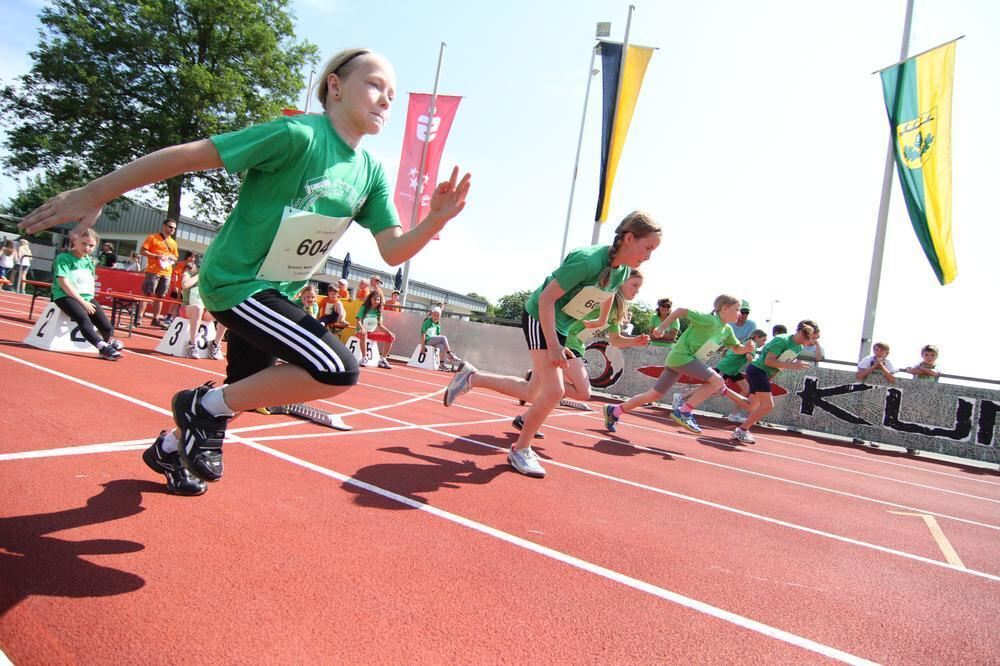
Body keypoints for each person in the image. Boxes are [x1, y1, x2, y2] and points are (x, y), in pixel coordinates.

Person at [18, 47, 471, 496]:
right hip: (236, 282)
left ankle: (171, 449)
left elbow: (392, 251)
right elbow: (186, 157)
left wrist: (434, 221)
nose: (386, 99)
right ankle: (197, 406)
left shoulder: (370, 171)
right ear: (334, 87)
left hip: (278, 293)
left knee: (246, 392)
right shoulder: (297, 135)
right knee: (337, 368)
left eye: (392, 93)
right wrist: (97, 192)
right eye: (374, 84)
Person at [443, 211, 662, 478]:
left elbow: (593, 302)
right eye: (648, 247)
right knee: (554, 391)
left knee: (533, 390)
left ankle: (471, 378)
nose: (649, 256)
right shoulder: (587, 261)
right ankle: (520, 449)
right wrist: (555, 344)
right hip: (539, 316)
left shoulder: (622, 272)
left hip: (561, 327)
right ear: (629, 238)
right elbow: (546, 300)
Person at [514, 269, 650, 439]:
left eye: (639, 287)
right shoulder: (603, 294)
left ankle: (526, 417)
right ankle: (479, 380)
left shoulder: (616, 309)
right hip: (568, 340)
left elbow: (615, 340)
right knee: (582, 392)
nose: (637, 291)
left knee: (547, 390)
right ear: (621, 282)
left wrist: (633, 341)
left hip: (577, 344)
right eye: (634, 285)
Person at [604, 294, 756, 436]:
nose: (739, 314)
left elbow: (736, 348)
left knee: (654, 395)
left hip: (681, 360)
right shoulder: (710, 320)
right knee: (717, 381)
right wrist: (662, 327)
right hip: (681, 357)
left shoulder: (727, 330)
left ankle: (614, 411)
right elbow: (681, 311)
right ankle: (685, 411)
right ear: (724, 309)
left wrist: (746, 349)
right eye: (737, 310)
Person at [731, 320, 818, 443]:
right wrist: (793, 366)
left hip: (763, 374)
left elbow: (780, 365)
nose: (813, 342)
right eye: (813, 338)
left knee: (751, 405)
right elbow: (768, 361)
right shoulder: (782, 340)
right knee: (768, 405)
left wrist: (770, 378)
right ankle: (742, 430)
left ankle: (724, 390)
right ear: (806, 334)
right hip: (757, 370)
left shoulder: (798, 347)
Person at [49, 229, 124, 360]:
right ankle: (103, 347)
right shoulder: (64, 258)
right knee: (84, 319)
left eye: (91, 246)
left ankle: (107, 342)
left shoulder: (89, 261)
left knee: (107, 327)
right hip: (64, 295)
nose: (87, 248)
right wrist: (82, 302)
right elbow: (63, 282)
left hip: (86, 297)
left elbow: (88, 281)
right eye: (84, 244)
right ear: (75, 241)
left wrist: (88, 300)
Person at [179, 255, 226, 360]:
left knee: (226, 310)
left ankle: (215, 345)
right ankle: (192, 344)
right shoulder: (189, 273)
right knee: (198, 308)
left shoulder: (211, 279)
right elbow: (185, 285)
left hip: (204, 311)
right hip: (187, 309)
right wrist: (199, 276)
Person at [136, 218, 179, 328]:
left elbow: (175, 257)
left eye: (174, 228)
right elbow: (142, 251)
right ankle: (139, 317)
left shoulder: (173, 242)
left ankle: (155, 318)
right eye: (170, 227)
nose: (172, 229)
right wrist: (157, 256)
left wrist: (170, 257)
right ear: (164, 226)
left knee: (160, 296)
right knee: (147, 294)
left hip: (167, 272)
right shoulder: (153, 237)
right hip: (153, 270)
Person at [354, 289, 395, 368]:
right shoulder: (364, 308)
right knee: (364, 334)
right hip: (360, 332)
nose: (376, 301)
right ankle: (364, 358)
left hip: (371, 333)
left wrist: (388, 332)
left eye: (378, 299)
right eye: (374, 299)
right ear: (370, 299)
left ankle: (382, 360)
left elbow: (380, 325)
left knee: (391, 337)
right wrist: (362, 329)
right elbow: (358, 321)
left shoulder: (378, 311)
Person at [420, 306, 461, 371]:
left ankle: (441, 364)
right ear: (432, 314)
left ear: (439, 317)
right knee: (443, 337)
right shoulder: (427, 321)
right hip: (427, 341)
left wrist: (437, 343)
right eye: (435, 315)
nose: (436, 317)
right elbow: (423, 334)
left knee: (441, 346)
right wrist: (422, 346)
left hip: (433, 342)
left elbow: (438, 336)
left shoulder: (438, 324)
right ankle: (450, 355)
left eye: (438, 316)